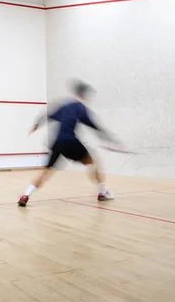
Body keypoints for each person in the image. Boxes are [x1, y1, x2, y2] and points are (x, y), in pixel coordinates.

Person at [18, 79, 125, 207]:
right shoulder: (80, 108)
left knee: (46, 171)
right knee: (94, 163)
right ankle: (102, 193)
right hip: (71, 142)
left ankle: (26, 195)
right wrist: (110, 139)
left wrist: (36, 124)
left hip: (57, 143)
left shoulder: (64, 106)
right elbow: (94, 126)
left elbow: (47, 115)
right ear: (84, 95)